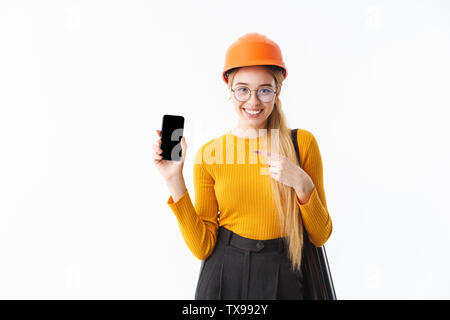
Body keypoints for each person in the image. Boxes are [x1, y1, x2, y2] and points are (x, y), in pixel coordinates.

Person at [152, 33, 333, 300]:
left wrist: (302, 183)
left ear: (278, 90)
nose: (253, 101)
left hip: (286, 275)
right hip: (226, 276)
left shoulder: (302, 144)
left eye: (264, 89)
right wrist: (173, 180)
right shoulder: (210, 154)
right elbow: (202, 247)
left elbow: (320, 236)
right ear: (230, 90)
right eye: (243, 89)